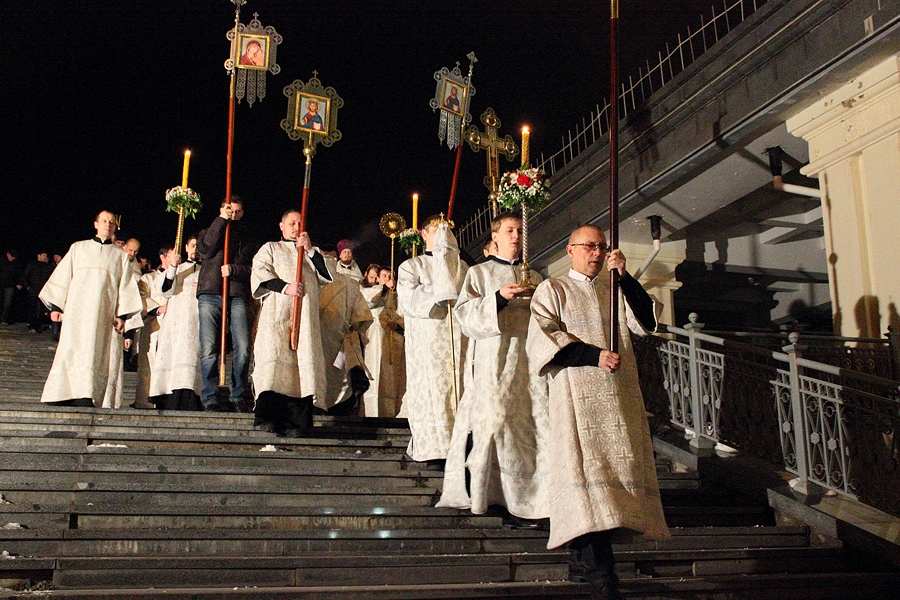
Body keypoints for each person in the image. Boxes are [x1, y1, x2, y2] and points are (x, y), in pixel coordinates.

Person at [526, 224, 670, 599]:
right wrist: (593, 355)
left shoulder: (613, 288)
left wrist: (625, 277)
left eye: (601, 247)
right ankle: (601, 575)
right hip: (577, 399)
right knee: (585, 483)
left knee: (610, 486)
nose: (596, 252)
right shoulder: (553, 289)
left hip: (618, 399)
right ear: (570, 250)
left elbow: (647, 323)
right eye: (589, 246)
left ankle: (584, 563)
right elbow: (543, 339)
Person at [437, 213, 549, 527]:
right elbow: (464, 315)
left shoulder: (535, 276)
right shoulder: (480, 273)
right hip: (493, 362)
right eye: (510, 230)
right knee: (497, 425)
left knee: (530, 428)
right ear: (495, 236)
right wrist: (499, 298)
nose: (516, 236)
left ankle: (530, 500)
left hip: (528, 363)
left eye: (520, 230)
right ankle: (493, 498)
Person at [38, 210, 143, 407]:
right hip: (77, 312)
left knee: (97, 353)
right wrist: (57, 306)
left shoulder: (120, 256)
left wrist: (121, 315)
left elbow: (125, 287)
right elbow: (64, 276)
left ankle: (89, 395)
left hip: (104, 314)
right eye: (104, 221)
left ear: (115, 227)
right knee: (73, 349)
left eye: (111, 222)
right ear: (96, 224)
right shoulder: (79, 248)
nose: (107, 224)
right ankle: (63, 393)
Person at [250, 210, 332, 436]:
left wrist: (310, 250)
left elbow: (327, 277)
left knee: (301, 371)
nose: (296, 227)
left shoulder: (310, 252)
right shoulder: (271, 248)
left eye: (299, 223)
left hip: (304, 318)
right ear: (282, 226)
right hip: (278, 314)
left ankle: (298, 422)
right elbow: (260, 272)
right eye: (291, 223)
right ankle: (269, 418)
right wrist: (286, 287)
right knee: (274, 364)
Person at [396, 215, 468, 470]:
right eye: (437, 230)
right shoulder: (411, 266)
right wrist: (440, 291)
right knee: (432, 391)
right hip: (427, 342)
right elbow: (408, 300)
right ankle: (433, 449)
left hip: (456, 338)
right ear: (424, 234)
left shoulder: (461, 266)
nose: (442, 235)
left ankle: (461, 447)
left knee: (458, 388)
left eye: (446, 230)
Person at [196, 197, 255, 412]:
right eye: (230, 211)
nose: (234, 215)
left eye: (238, 212)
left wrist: (234, 270)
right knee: (209, 348)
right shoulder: (209, 231)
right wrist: (221, 221)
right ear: (222, 209)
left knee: (244, 347)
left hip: (237, 293)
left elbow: (254, 268)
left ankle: (237, 395)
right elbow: (205, 250)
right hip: (210, 291)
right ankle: (210, 398)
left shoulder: (248, 237)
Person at [150, 237, 203, 411]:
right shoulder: (178, 268)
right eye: (192, 245)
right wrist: (172, 267)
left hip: (197, 322)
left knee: (192, 359)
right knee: (173, 357)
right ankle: (168, 397)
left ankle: (191, 398)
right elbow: (165, 290)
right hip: (176, 322)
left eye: (199, 246)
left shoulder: (207, 270)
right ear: (186, 247)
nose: (195, 249)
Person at [319, 253, 373, 414]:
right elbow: (362, 317)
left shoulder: (349, 284)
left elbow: (361, 316)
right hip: (317, 337)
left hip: (338, 338)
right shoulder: (308, 280)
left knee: (338, 381)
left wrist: (353, 328)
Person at [361, 266, 406, 418]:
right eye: (385, 276)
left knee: (392, 378)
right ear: (378, 278)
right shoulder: (372, 291)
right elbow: (369, 302)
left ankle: (392, 412)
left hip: (394, 340)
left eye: (391, 276)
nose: (388, 279)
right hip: (375, 339)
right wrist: (384, 288)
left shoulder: (398, 295)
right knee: (375, 370)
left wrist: (398, 325)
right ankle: (371, 412)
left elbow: (403, 314)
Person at [133, 245, 172, 409]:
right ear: (163, 257)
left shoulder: (180, 279)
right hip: (152, 326)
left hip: (172, 328)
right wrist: (157, 309)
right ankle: (145, 401)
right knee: (148, 364)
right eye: (171, 255)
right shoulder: (148, 278)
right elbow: (141, 297)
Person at [18, 251, 54, 332]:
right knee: (32, 308)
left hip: (43, 291)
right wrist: (28, 287)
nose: (45, 257)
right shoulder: (32, 264)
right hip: (33, 290)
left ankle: (38, 325)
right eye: (43, 255)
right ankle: (32, 326)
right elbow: (25, 276)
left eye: (46, 256)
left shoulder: (48, 267)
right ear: (39, 256)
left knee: (41, 309)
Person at [0, 249, 23, 325]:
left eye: (14, 257)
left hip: (10, 285)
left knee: (7, 303)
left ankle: (3, 319)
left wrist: (19, 283)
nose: (12, 258)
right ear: (8, 254)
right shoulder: (2, 261)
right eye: (11, 256)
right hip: (1, 284)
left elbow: (19, 274)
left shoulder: (16, 263)